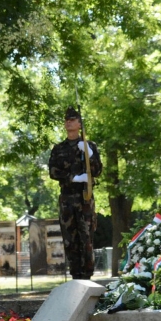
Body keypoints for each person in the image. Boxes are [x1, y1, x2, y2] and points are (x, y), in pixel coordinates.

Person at [48, 106, 103, 280]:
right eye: (67, 120)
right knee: (69, 238)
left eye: (73, 119)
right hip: (67, 199)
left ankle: (87, 274)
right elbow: (53, 171)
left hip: (84, 198)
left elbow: (97, 170)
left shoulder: (89, 145)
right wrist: (72, 178)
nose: (69, 122)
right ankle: (75, 274)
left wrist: (89, 153)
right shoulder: (59, 148)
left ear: (80, 124)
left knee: (86, 237)